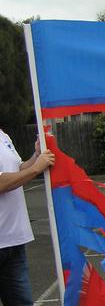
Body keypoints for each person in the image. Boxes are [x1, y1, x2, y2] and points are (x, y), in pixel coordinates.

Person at [0, 130, 55, 305]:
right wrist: (36, 168)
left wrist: (36, 156)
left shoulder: (2, 135)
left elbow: (18, 169)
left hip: (13, 240)